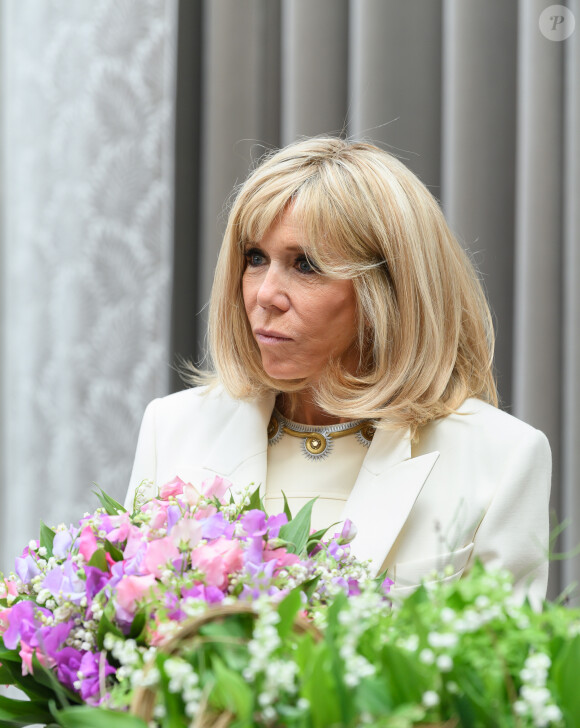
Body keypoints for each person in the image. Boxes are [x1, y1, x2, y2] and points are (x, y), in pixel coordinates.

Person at [125, 137, 551, 606]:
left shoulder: (501, 457)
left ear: (386, 292)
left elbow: (500, 674)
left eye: (305, 265)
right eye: (255, 259)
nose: (265, 295)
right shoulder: (172, 428)